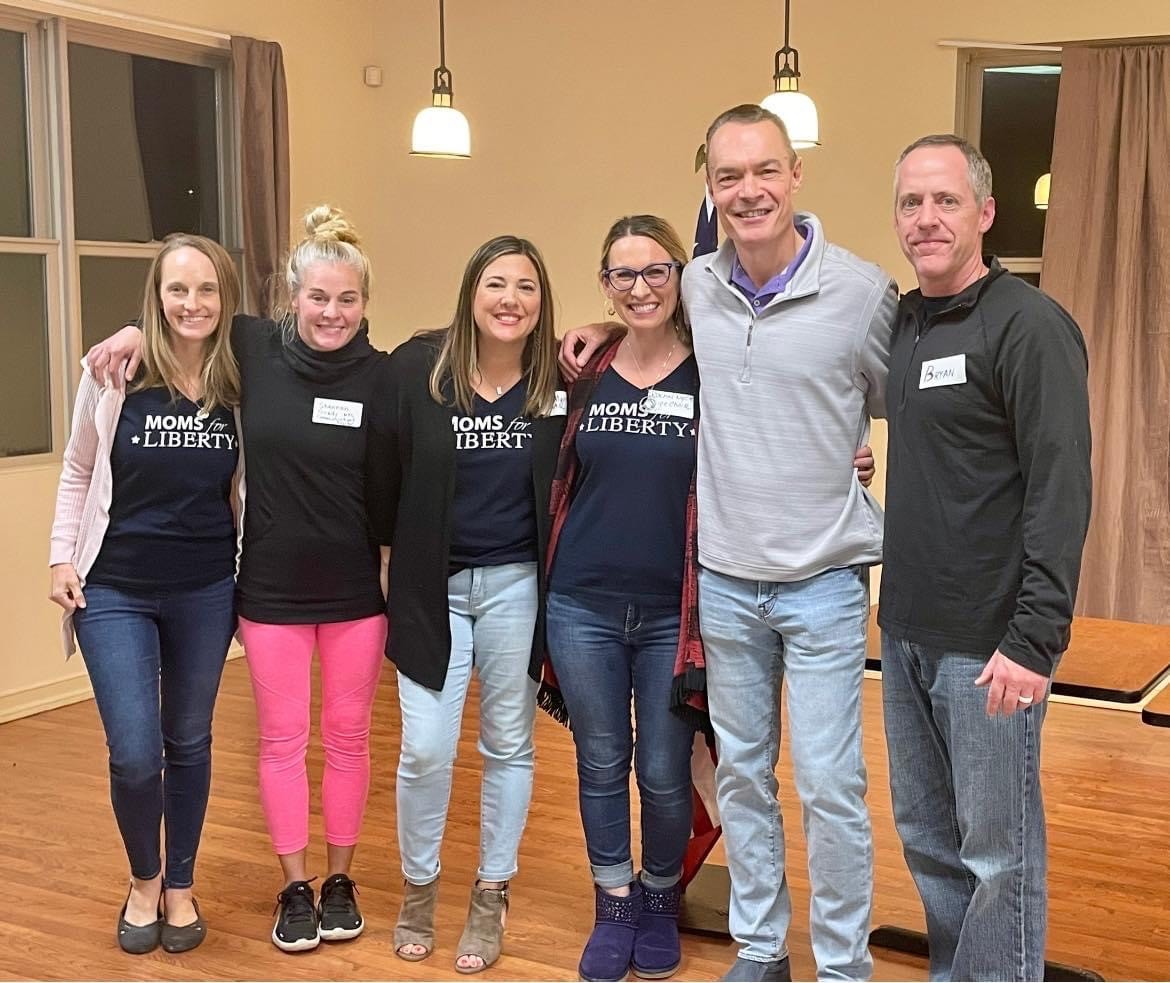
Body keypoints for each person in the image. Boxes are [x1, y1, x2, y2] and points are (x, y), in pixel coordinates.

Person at [562, 104, 897, 982]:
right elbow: (644, 319)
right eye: (728, 176)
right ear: (710, 188)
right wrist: (601, 330)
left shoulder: (861, 292)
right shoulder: (700, 287)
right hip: (724, 584)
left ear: (796, 175)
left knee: (830, 785)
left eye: (764, 170)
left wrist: (851, 448)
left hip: (824, 581)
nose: (748, 190)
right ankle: (760, 947)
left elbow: (901, 400)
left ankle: (842, 965)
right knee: (744, 776)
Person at [85, 206, 391, 954]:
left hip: (356, 593)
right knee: (281, 742)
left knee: (348, 740)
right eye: (317, 296)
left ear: (364, 302)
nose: (331, 311)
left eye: (347, 298)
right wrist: (133, 330)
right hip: (269, 591)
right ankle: (294, 887)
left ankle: (340, 879)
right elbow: (185, 318)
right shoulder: (253, 348)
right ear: (291, 296)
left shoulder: (386, 375)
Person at [881, 134, 1091, 982]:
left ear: (986, 212)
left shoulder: (1028, 325)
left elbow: (1061, 488)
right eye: (911, 202)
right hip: (905, 632)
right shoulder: (905, 322)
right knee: (929, 838)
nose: (927, 218)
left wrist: (1034, 638)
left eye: (946, 200)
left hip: (992, 644)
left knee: (1000, 854)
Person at [365, 235, 565, 975]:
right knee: (425, 748)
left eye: (526, 286)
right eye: (495, 284)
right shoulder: (419, 370)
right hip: (431, 588)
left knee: (508, 744)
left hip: (518, 586)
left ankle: (491, 890)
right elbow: (380, 468)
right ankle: (419, 888)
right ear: (470, 294)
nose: (510, 299)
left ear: (543, 302)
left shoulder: (560, 381)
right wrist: (387, 554)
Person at [49, 233, 242, 955]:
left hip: (205, 587)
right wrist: (59, 558)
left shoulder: (238, 381)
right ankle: (144, 879)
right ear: (155, 298)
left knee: (188, 740)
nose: (192, 303)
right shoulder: (114, 374)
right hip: (114, 588)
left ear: (225, 298)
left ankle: (181, 884)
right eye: (177, 289)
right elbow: (77, 470)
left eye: (206, 289)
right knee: (135, 751)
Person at [543, 214, 702, 983]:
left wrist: (852, 452)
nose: (641, 287)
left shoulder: (710, 369)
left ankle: (661, 894)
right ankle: (613, 900)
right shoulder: (585, 367)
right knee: (602, 760)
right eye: (623, 274)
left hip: (676, 610)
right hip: (582, 603)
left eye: (655, 270)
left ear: (680, 275)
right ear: (605, 283)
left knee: (665, 772)